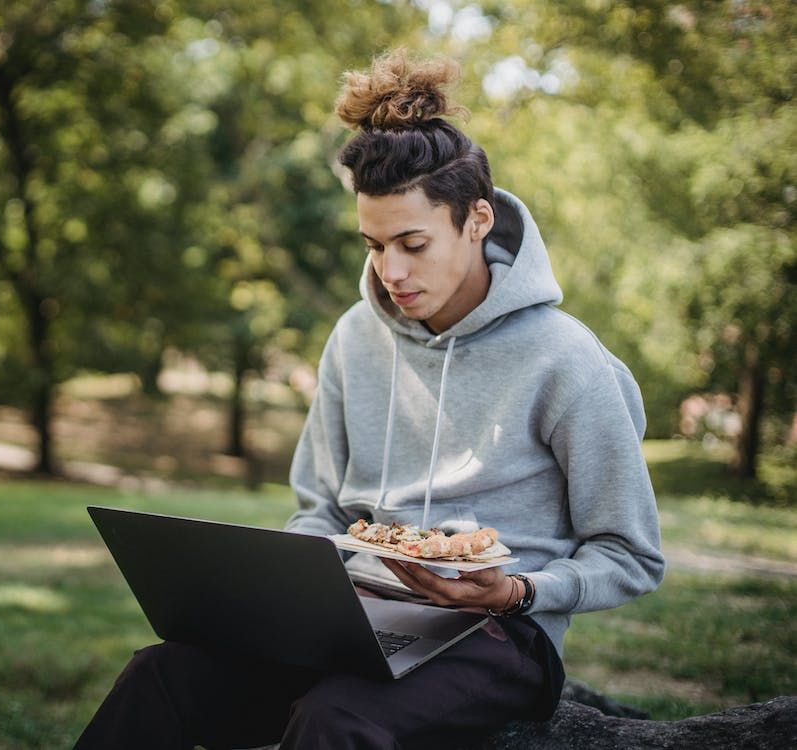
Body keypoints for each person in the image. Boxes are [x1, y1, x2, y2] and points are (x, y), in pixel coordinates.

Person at [75, 49, 665, 750]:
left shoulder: (566, 361)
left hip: (500, 636)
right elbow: (319, 506)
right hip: (355, 618)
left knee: (335, 716)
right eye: (373, 245)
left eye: (412, 243)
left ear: (476, 219)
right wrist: (288, 595)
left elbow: (629, 554)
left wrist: (517, 592)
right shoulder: (356, 337)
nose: (390, 272)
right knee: (160, 676)